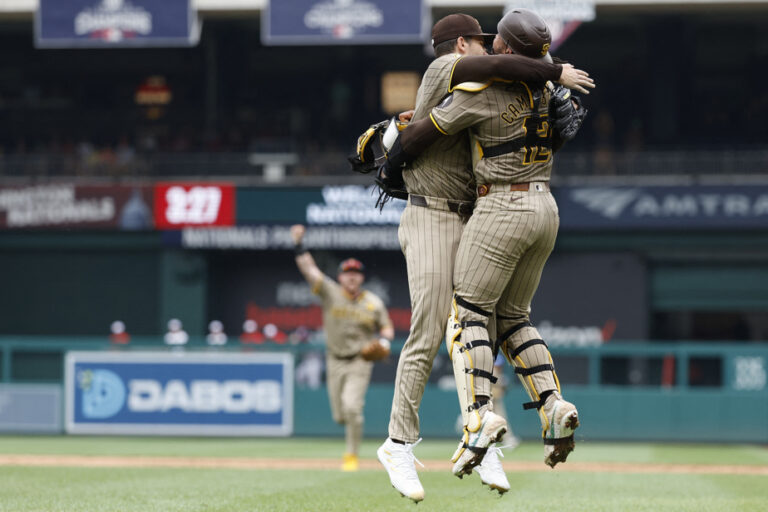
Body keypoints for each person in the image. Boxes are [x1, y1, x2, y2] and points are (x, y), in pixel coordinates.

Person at [374, 13, 594, 502]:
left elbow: (514, 73)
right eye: (481, 44)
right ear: (460, 44)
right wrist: (555, 71)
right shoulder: (446, 70)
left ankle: (482, 430)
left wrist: (545, 82)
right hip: (431, 214)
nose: (488, 53)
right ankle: (398, 443)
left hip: (478, 210)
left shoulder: (497, 81)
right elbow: (511, 65)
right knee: (432, 329)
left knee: (479, 323)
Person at [290, 224, 394, 472]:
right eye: (347, 272)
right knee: (340, 414)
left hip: (360, 360)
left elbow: (387, 327)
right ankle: (347, 431)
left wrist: (384, 342)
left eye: (356, 273)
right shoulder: (330, 292)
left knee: (352, 407)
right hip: (334, 359)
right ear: (340, 276)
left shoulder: (373, 303)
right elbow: (309, 270)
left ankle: (351, 455)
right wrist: (298, 244)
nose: (351, 276)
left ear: (362, 277)